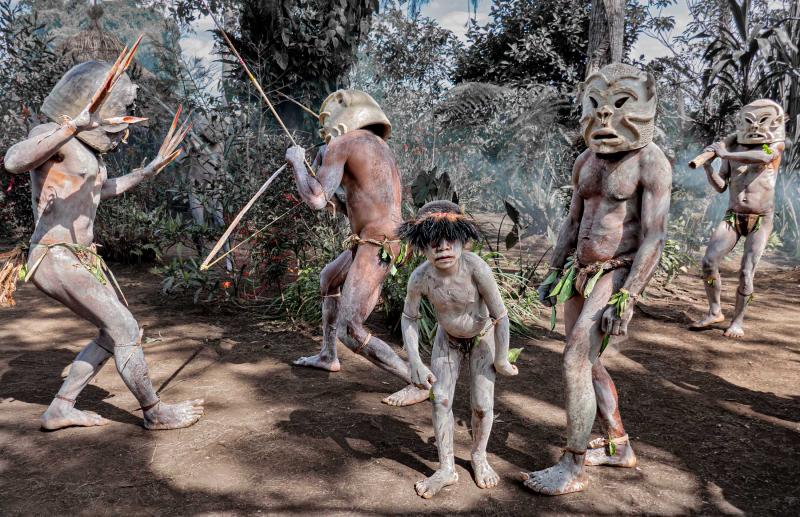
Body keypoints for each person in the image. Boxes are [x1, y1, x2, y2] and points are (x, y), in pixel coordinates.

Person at [2, 59, 203, 430]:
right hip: (54, 255)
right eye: (123, 104)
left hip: (81, 257)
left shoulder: (86, 152)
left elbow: (100, 191)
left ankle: (60, 408)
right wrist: (72, 125)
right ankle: (154, 412)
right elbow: (14, 161)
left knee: (117, 332)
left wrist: (148, 170)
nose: (125, 114)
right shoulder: (53, 132)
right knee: (124, 328)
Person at [521, 63, 672, 495]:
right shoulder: (585, 160)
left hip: (615, 271)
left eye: (620, 103)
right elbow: (572, 222)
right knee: (588, 361)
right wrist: (554, 270)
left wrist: (629, 296)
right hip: (580, 272)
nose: (605, 116)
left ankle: (573, 466)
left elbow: (653, 238)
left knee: (574, 360)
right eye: (596, 104)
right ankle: (619, 445)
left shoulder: (651, 161)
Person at [285, 89, 428, 406]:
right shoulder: (380, 147)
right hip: (379, 239)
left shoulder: (343, 143)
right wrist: (321, 165)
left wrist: (297, 163)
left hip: (376, 242)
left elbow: (317, 200)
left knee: (351, 327)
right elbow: (350, 199)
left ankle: (416, 379)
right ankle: (327, 354)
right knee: (328, 279)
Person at [398, 200, 518, 498]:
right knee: (440, 400)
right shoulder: (421, 277)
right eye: (434, 243)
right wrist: (414, 360)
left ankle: (479, 455)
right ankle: (446, 467)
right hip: (447, 340)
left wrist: (502, 357)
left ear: (464, 241)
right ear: (422, 246)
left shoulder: (476, 268)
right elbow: (409, 317)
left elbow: (500, 315)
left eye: (450, 240)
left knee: (482, 404)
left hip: (482, 337)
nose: (443, 248)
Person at [689, 99, 785, 338]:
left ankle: (738, 322)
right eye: (750, 121)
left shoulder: (772, 147)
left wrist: (726, 152)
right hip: (733, 216)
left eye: (761, 121)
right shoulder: (732, 152)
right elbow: (721, 186)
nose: (754, 127)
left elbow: (763, 158)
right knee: (709, 262)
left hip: (760, 219)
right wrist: (709, 167)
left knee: (746, 271)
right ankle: (714, 311)